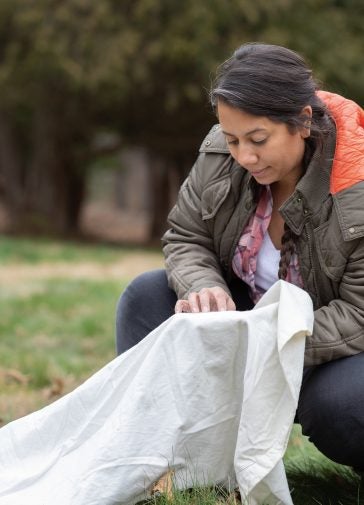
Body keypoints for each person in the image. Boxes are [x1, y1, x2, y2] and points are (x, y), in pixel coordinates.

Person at [116, 42, 364, 472]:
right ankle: (167, 461)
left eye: (258, 140)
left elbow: (359, 311)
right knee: (146, 296)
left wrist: (268, 340)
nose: (244, 156)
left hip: (323, 351)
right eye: (232, 139)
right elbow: (187, 236)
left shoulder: (356, 187)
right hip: (245, 331)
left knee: (344, 406)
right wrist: (204, 287)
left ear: (303, 122)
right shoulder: (220, 156)